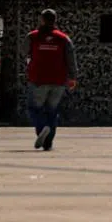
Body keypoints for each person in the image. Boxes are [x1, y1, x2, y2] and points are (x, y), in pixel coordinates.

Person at [25, 8, 77, 151]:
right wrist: (72, 78)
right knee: (52, 111)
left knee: (35, 108)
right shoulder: (63, 38)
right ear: (55, 20)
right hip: (58, 81)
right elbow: (71, 59)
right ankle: (48, 143)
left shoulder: (32, 36)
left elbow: (25, 54)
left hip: (38, 80)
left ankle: (42, 128)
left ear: (42, 20)